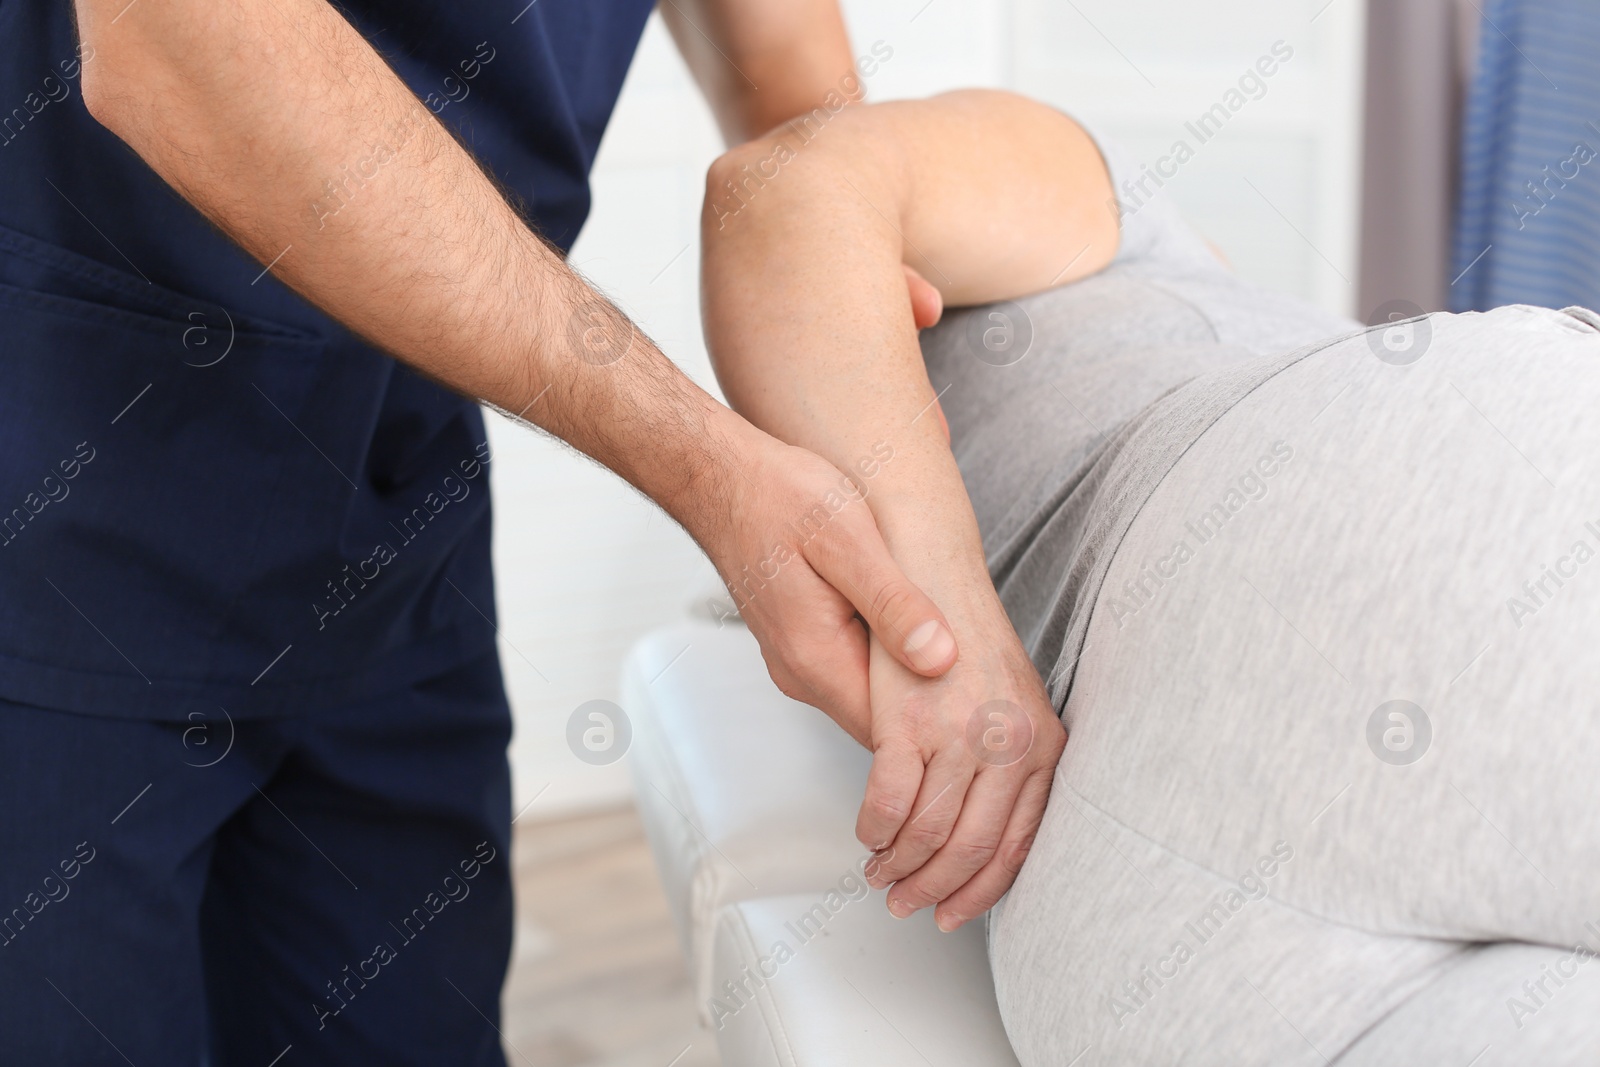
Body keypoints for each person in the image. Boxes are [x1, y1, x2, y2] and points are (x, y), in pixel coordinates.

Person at [0, 2, 968, 1063]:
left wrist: (837, 260)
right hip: (57, 486)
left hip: (391, 517)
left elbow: (784, 76)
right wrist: (712, 470)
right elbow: (171, 44)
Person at [700, 89, 1600, 1063]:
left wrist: (939, 635)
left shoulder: (834, 440)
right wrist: (949, 630)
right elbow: (775, 187)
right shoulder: (1114, 222)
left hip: (1103, 911)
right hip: (1362, 521)